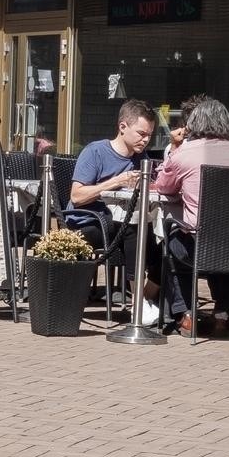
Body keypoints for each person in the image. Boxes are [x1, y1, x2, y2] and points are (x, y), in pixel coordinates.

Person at [149, 97, 229, 337]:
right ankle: (223, 314)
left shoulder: (185, 153)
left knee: (174, 242)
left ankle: (186, 313)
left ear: (194, 123)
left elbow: (163, 186)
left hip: (198, 244)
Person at [67, 99, 158, 311]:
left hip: (120, 221)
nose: (146, 140)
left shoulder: (142, 158)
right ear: (123, 127)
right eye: (141, 133)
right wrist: (117, 181)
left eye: (150, 135)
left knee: (163, 243)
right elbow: (77, 196)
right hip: (88, 221)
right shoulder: (95, 151)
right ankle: (138, 304)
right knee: (133, 229)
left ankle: (146, 297)